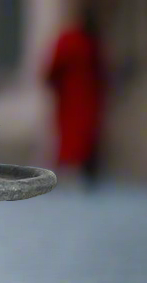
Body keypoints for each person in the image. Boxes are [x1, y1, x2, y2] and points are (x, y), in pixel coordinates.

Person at [45, 7, 106, 186]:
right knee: (76, 136)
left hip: (78, 97)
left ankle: (74, 171)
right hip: (76, 97)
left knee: (78, 136)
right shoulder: (81, 41)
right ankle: (74, 171)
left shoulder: (79, 41)